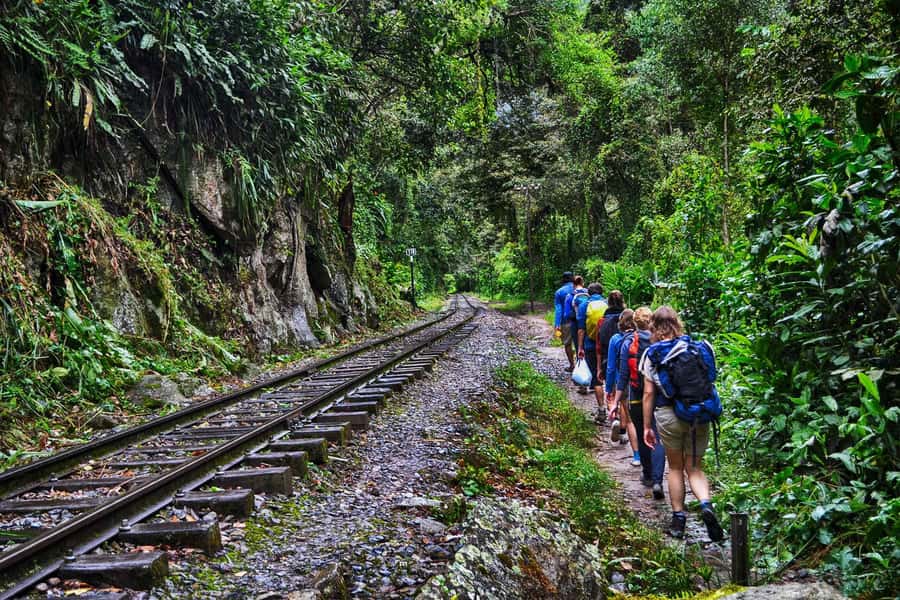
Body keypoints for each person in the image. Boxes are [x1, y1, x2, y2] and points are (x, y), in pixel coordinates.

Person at [640, 306, 724, 541]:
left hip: (669, 415)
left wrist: (647, 426)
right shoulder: (697, 347)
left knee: (675, 467)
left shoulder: (652, 354)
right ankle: (706, 505)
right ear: (677, 323)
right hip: (699, 413)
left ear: (653, 327)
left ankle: (678, 520)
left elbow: (648, 394)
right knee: (695, 468)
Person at [615, 306, 665, 499]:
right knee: (658, 437)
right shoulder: (659, 342)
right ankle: (659, 480)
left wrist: (616, 400)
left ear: (635, 323)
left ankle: (647, 474)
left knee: (643, 433)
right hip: (659, 397)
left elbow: (624, 375)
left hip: (636, 395)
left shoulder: (629, 343)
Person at [606, 309, 640, 464]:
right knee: (647, 420)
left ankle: (637, 456)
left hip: (624, 383)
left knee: (631, 417)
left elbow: (611, 367)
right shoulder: (643, 337)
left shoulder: (616, 339)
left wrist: (609, 388)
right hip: (644, 384)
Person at [575, 282, 607, 422]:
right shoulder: (608, 304)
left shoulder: (584, 305)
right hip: (608, 346)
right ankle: (616, 412)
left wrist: (580, 347)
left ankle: (601, 410)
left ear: (589, 292)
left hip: (590, 345)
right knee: (613, 380)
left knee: (596, 378)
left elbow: (581, 329)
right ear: (601, 292)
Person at [598, 290, 625, 423]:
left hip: (607, 360)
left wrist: (598, 368)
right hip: (625, 363)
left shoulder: (602, 321)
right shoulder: (628, 319)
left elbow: (599, 347)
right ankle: (622, 429)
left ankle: (614, 418)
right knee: (624, 399)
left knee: (611, 394)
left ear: (608, 302)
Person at [563, 276, 589, 392]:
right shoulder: (589, 293)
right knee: (588, 350)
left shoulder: (570, 296)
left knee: (579, 349)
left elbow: (567, 313)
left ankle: (583, 384)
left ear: (573, 284)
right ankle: (593, 381)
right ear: (582, 283)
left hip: (575, 325)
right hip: (588, 324)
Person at [553, 272, 576, 372]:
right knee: (580, 344)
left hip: (566, 321)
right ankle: (583, 365)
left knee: (567, 344)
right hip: (579, 321)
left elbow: (559, 309)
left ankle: (572, 365)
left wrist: (557, 324)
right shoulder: (579, 289)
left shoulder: (559, 292)